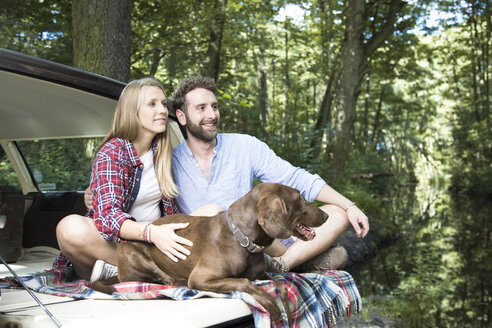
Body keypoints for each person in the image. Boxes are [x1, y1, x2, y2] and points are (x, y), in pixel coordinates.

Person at [170, 76, 369, 273]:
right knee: (213, 212)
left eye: (214, 106)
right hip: (218, 249)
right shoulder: (168, 161)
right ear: (181, 116)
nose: (212, 114)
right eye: (201, 108)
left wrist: (349, 206)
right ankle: (303, 262)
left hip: (267, 237)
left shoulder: (245, 145)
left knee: (338, 213)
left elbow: (295, 178)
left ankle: (284, 263)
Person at [55, 77, 217, 282]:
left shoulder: (163, 151)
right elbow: (107, 217)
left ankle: (136, 273)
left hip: (158, 245)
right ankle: (140, 272)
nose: (162, 111)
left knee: (213, 211)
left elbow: (174, 211)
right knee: (69, 227)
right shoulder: (112, 153)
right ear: (133, 111)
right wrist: (152, 233)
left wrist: (167, 234)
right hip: (124, 243)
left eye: (163, 104)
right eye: (152, 104)